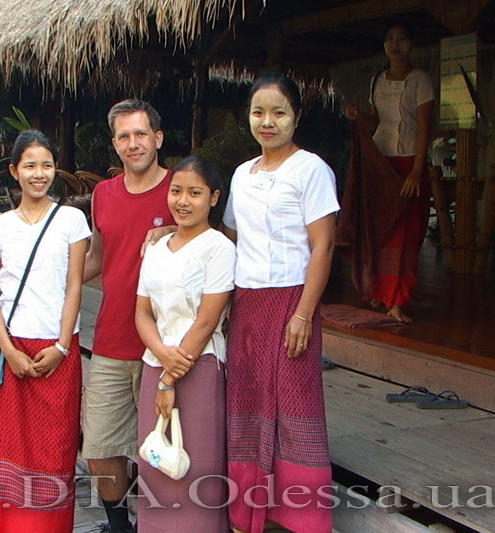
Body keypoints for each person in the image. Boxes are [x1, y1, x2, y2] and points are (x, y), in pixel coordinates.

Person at [223, 75, 339, 533]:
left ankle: (301, 517)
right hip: (247, 302)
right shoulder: (241, 174)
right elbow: (232, 238)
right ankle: (250, 512)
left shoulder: (311, 170)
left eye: (279, 112)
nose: (267, 122)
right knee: (247, 401)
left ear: (297, 116)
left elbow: (323, 246)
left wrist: (304, 314)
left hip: (292, 298)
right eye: (259, 112)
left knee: (295, 400)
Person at [0, 130, 91, 532]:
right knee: (13, 446)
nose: (39, 174)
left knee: (56, 449)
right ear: (14, 171)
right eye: (30, 166)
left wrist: (61, 346)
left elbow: (75, 285)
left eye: (46, 165)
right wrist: (9, 350)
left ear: (55, 170)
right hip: (16, 348)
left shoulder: (72, 220)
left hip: (58, 349)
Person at [82, 99, 175, 533]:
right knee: (100, 446)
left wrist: (175, 229)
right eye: (124, 136)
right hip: (111, 339)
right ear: (115, 144)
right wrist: (48, 284)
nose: (133, 143)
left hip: (167, 345)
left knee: (163, 447)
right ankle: (119, 526)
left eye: (141, 134)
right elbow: (97, 257)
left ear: (158, 138)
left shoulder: (180, 189)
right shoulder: (103, 193)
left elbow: (213, 242)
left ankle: (157, 525)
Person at [135, 156, 236, 532]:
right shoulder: (156, 247)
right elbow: (142, 312)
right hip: (155, 364)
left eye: (195, 193)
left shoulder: (219, 248)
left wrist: (169, 379)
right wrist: (161, 357)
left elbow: (207, 320)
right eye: (176, 191)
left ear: (214, 198)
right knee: (157, 461)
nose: (183, 201)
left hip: (200, 368)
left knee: (196, 468)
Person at [344, 23, 435, 323]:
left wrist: (417, 171)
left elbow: (424, 127)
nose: (396, 44)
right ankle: (379, 292)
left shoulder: (420, 80)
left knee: (405, 233)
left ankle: (397, 300)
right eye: (390, 39)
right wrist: (359, 116)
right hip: (381, 164)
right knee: (380, 230)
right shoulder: (377, 80)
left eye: (402, 38)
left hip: (409, 162)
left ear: (412, 44)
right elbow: (377, 123)